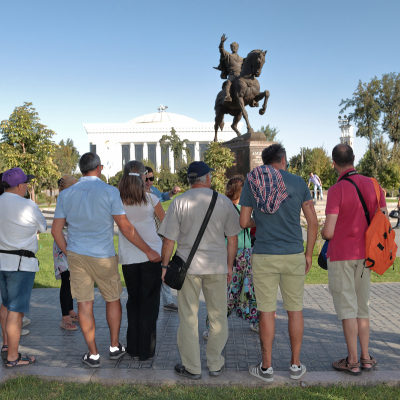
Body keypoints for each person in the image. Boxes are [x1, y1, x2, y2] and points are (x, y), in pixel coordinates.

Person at [52, 152, 161, 368]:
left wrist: (68, 251)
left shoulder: (65, 195)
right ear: (100, 168)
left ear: (81, 169)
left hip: (77, 255)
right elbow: (126, 228)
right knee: (113, 299)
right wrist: (148, 250)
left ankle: (93, 354)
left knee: (84, 304)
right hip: (103, 255)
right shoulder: (110, 192)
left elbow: (56, 231)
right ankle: (114, 347)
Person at [240, 144, 318, 382]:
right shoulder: (298, 182)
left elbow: (244, 222)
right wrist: (308, 254)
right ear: (283, 159)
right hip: (294, 253)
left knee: (266, 311)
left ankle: (266, 368)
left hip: (264, 254)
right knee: (295, 310)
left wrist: (259, 221)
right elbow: (313, 223)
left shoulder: (253, 182)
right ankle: (295, 366)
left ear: (265, 162)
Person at [159, 161, 241, 380]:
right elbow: (232, 239)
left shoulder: (179, 202)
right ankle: (215, 363)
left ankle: (192, 367)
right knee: (218, 317)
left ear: (189, 180)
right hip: (216, 266)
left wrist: (165, 266)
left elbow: (168, 241)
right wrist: (229, 265)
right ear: (207, 179)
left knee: (188, 317)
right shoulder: (223, 202)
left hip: (187, 267)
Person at [321, 144, 387, 375]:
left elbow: (328, 232)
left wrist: (322, 231)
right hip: (367, 255)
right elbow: (383, 220)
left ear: (334, 163)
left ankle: (352, 360)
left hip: (341, 255)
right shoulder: (374, 185)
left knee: (347, 308)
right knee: (363, 307)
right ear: (354, 159)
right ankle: (366, 357)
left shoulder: (337, 189)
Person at [0, 167, 47, 366]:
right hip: (21, 264)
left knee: (5, 304)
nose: (27, 186)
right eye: (26, 183)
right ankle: (12, 357)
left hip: (2, 261)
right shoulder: (28, 205)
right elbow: (43, 227)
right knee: (16, 311)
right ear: (19, 185)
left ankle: (6, 345)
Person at [118, 161, 164, 361]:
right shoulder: (152, 199)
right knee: (149, 305)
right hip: (152, 256)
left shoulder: (117, 201)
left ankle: (133, 347)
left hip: (128, 259)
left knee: (134, 303)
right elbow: (168, 224)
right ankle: (146, 350)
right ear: (144, 176)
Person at [203, 175, 259, 340]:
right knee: (238, 291)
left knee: (241, 291)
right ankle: (213, 325)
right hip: (239, 254)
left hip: (237, 253)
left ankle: (214, 326)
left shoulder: (227, 207)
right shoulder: (236, 209)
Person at [145, 165, 180, 312]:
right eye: (146, 178)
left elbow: (163, 197)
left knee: (163, 267)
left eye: (151, 178)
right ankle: (150, 299)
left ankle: (166, 301)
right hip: (145, 239)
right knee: (151, 271)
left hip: (157, 237)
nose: (149, 181)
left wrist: (172, 192)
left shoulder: (153, 193)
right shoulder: (135, 195)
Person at [53, 175, 79, 331]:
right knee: (66, 280)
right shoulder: (64, 202)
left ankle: (70, 311)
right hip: (64, 244)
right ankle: (65, 318)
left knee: (70, 280)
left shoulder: (70, 201)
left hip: (71, 243)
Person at [213, 34, 244, 102]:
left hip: (240, 75)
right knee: (229, 82)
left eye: (235, 47)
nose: (234, 48)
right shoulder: (228, 55)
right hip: (232, 75)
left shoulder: (242, 59)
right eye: (233, 47)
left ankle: (253, 99)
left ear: (238, 48)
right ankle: (227, 96)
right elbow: (221, 50)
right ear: (231, 48)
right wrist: (222, 42)